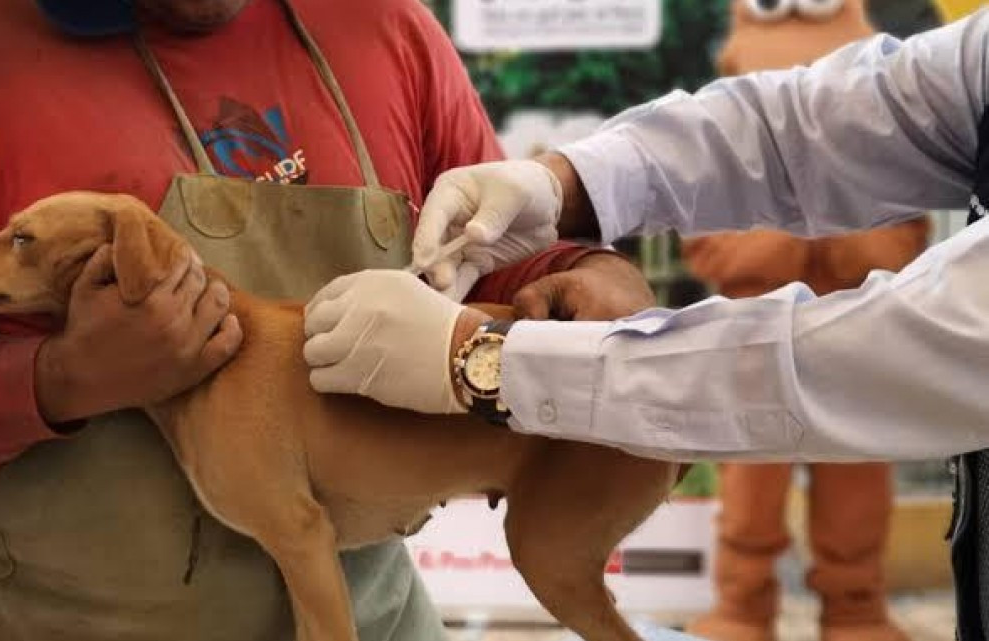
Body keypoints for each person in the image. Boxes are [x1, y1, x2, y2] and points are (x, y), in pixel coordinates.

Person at [0, 0, 647, 638]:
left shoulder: (384, 23)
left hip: (367, 615)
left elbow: (511, 258)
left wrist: (594, 272)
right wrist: (57, 379)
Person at [302, 8, 989, 641]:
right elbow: (812, 126)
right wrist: (566, 183)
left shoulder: (387, 30)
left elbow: (886, 356)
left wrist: (485, 362)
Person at [680, 2, 929, 639]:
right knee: (751, 485)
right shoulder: (720, 152)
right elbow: (705, 242)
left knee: (857, 482)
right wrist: (792, 241)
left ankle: (856, 606)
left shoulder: (887, 162)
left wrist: (836, 237)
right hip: (756, 341)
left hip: (857, 342)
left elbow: (903, 242)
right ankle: (742, 603)